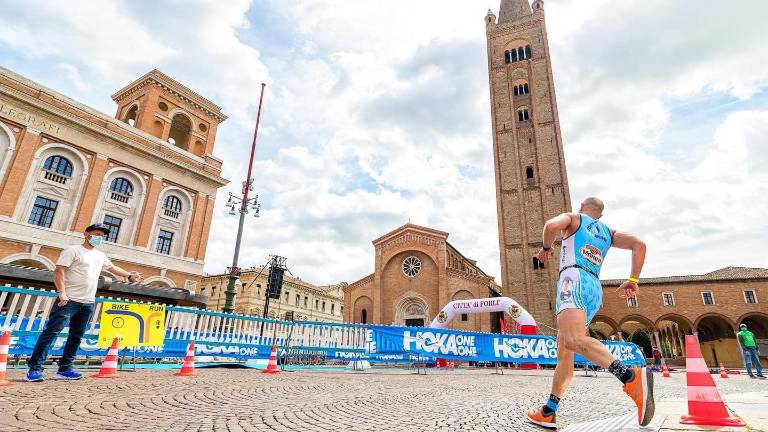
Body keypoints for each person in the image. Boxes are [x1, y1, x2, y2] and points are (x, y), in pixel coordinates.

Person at [526, 197, 653, 428]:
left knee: (574, 341)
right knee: (565, 350)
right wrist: (633, 279)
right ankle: (548, 411)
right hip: (594, 287)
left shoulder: (574, 219)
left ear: (582, 207)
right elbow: (639, 245)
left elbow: (550, 226)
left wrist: (546, 248)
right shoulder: (607, 232)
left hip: (572, 279)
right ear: (600, 215)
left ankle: (629, 377)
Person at [25, 223, 143, 382]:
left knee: (76, 337)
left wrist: (129, 275)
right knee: (51, 333)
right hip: (68, 300)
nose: (99, 238)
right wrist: (62, 293)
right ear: (86, 234)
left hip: (87, 302)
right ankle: (34, 369)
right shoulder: (73, 250)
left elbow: (113, 268)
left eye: (102, 236)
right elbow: (59, 271)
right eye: (96, 234)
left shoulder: (100, 255)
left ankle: (65, 369)